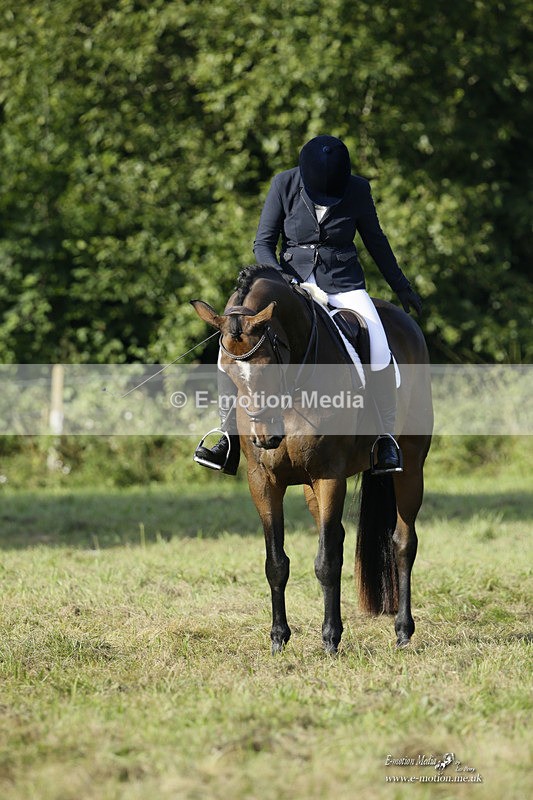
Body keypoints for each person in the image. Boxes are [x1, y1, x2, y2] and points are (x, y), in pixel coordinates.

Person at [194, 134, 422, 475]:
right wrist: (281, 279)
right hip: (291, 285)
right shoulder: (284, 184)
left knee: (377, 343)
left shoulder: (357, 189)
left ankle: (384, 438)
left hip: (343, 283)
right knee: (231, 347)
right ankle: (225, 436)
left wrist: (401, 285)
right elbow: (263, 242)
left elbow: (375, 240)